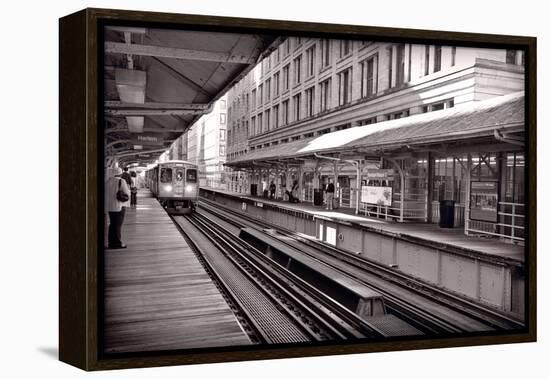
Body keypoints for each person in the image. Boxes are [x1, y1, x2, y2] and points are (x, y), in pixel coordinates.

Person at [105, 167, 130, 249]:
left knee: (112, 224)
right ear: (120, 173)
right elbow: (127, 193)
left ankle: (111, 242)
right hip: (119, 206)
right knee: (117, 225)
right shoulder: (121, 181)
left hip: (110, 206)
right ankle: (117, 244)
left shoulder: (107, 181)